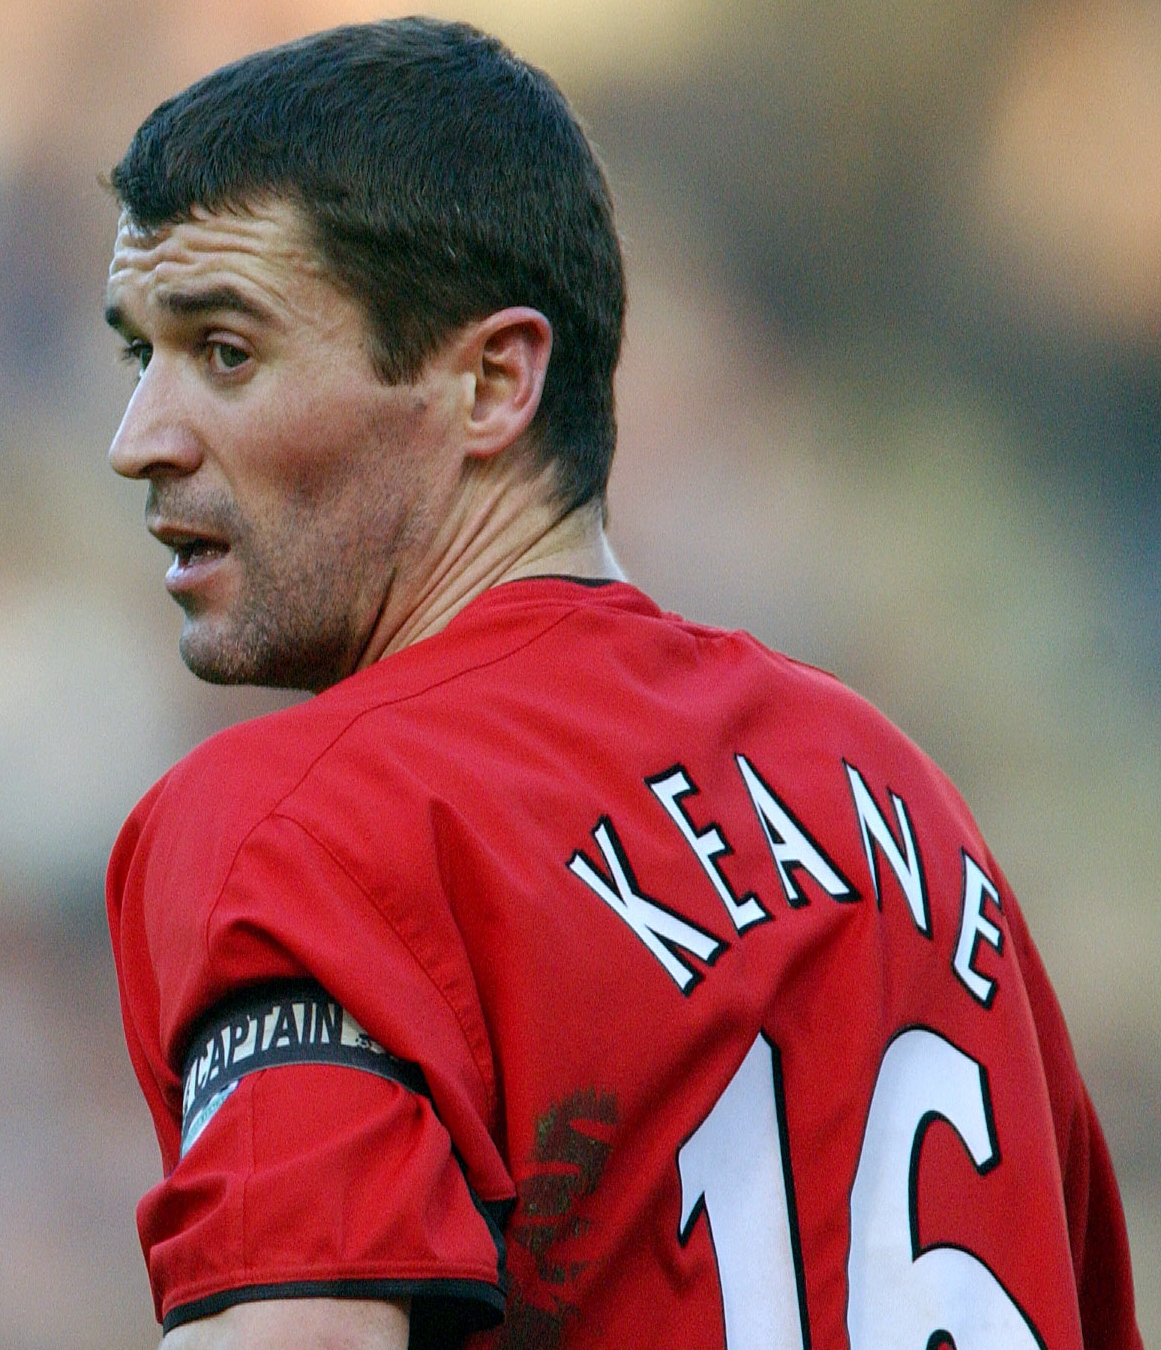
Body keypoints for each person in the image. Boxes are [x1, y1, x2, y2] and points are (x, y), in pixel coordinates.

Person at [97, 17, 1141, 1350]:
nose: (139, 441)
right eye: (142, 355)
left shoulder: (310, 822)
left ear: (490, 380)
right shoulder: (904, 803)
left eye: (224, 352)